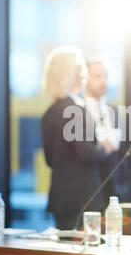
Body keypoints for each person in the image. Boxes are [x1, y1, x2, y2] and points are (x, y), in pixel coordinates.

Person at [41, 46, 115, 230]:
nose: (84, 75)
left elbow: (50, 159)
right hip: (84, 198)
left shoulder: (49, 113)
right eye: (81, 69)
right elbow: (86, 153)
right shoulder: (76, 110)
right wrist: (105, 148)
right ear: (71, 74)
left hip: (61, 200)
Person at [83, 58, 130, 208]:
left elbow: (122, 152)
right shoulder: (77, 111)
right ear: (85, 78)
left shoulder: (115, 112)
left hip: (114, 193)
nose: (103, 81)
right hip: (87, 191)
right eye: (97, 76)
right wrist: (102, 146)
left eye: (105, 76)